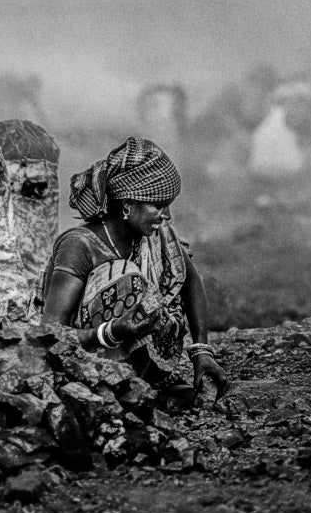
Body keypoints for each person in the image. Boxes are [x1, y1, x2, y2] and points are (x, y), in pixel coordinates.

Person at [40, 137, 228, 397]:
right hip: (71, 364)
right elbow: (51, 334)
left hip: (137, 369)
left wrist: (201, 351)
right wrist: (112, 331)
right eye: (159, 206)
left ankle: (143, 380)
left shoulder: (158, 236)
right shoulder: (79, 246)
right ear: (127, 205)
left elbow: (191, 280)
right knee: (126, 278)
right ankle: (112, 386)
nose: (167, 216)